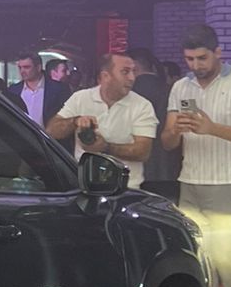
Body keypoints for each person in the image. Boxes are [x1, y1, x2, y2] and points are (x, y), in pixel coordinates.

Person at [162, 25, 231, 287]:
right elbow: (167, 142)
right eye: (190, 59)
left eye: (202, 58)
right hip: (189, 184)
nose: (196, 65)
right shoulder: (181, 86)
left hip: (228, 184)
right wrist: (175, 131)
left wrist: (212, 128)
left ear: (218, 52)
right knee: (200, 265)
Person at [47, 52, 157, 187]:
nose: (132, 78)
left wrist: (105, 147)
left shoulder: (142, 105)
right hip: (85, 185)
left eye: (134, 71)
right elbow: (51, 131)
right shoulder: (80, 98)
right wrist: (75, 121)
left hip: (126, 187)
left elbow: (143, 152)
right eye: (125, 72)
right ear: (106, 76)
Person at [128, 46, 178, 201]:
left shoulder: (129, 93)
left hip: (138, 168)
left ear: (134, 67)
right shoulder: (172, 90)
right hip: (171, 168)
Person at [10, 50, 64, 127]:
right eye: (20, 67)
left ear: (38, 67)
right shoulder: (13, 90)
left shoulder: (58, 89)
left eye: (26, 67)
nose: (22, 71)